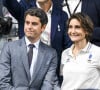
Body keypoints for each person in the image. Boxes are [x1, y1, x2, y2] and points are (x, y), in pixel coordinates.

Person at [3, 0, 72, 80]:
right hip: (26, 71)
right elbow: (8, 2)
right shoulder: (24, 8)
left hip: (51, 71)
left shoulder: (62, 15)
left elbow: (68, 45)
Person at [0, 7, 60, 90]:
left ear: (43, 27)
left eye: (34, 24)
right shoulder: (9, 48)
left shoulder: (51, 53)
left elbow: (48, 84)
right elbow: (3, 83)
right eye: (27, 23)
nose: (29, 27)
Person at [61, 13, 100, 89]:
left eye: (77, 27)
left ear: (87, 31)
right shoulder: (65, 53)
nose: (73, 31)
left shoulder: (97, 52)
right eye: (70, 27)